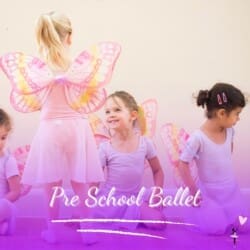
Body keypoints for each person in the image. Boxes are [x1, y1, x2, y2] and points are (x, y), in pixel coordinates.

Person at [0, 11, 121, 243]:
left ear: (42, 37)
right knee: (80, 183)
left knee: (51, 185)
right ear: (70, 36)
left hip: (50, 129)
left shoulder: (37, 70)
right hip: (76, 127)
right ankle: (88, 231)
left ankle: (52, 232)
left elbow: (36, 101)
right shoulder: (78, 67)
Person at [177, 82, 249, 234]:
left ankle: (227, 214)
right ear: (222, 113)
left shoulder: (230, 132)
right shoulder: (198, 138)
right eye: (237, 114)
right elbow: (182, 164)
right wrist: (193, 190)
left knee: (243, 225)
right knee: (215, 228)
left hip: (230, 190)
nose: (238, 119)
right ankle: (215, 215)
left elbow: (227, 153)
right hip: (210, 194)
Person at [90, 90, 165, 232]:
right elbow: (95, 180)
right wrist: (87, 203)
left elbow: (158, 170)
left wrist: (158, 192)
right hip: (111, 200)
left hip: (134, 198)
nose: (111, 115)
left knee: (159, 223)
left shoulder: (145, 143)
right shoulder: (105, 148)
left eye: (117, 110)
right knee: (91, 218)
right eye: (107, 112)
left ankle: (136, 214)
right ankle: (132, 218)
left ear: (133, 115)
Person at [0, 109, 21, 236]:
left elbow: (16, 192)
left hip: (3, 205)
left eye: (3, 137)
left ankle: (5, 220)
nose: (0, 143)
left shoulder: (8, 161)